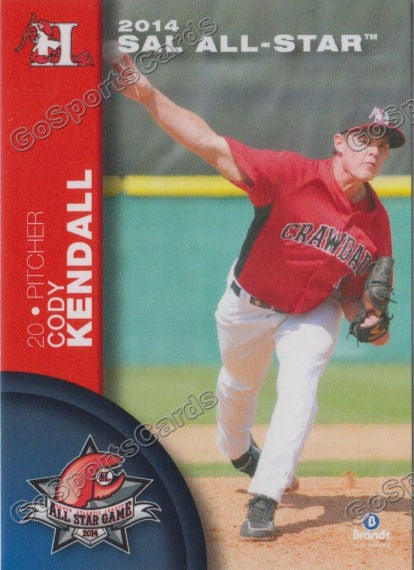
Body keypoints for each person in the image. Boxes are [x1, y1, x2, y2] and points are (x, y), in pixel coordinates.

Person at [110, 54, 405, 540]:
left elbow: (357, 300)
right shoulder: (289, 175)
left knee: (302, 382)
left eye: (383, 144)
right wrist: (146, 93)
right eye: (363, 139)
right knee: (238, 386)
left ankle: (265, 498)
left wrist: (370, 322)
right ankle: (238, 451)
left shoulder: (377, 224)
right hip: (247, 305)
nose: (373, 151)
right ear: (339, 142)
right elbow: (208, 144)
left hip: (311, 312)